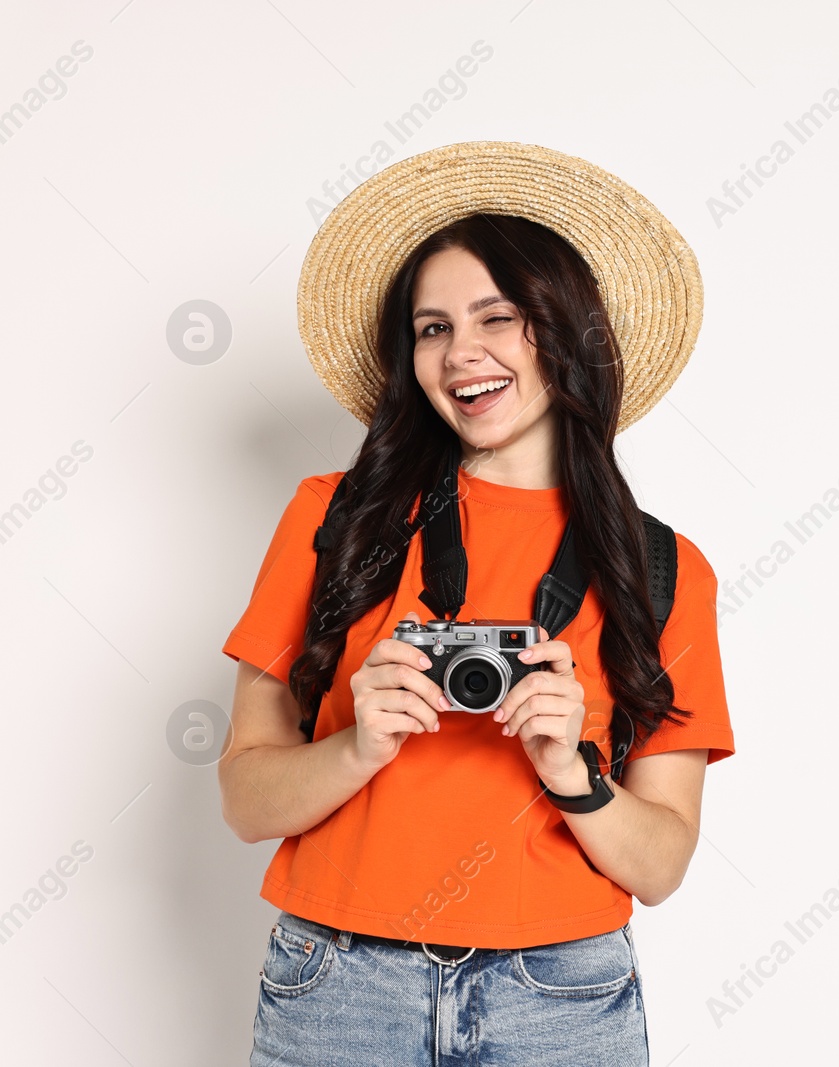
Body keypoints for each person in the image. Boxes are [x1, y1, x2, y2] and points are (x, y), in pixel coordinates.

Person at [217, 142, 733, 1067]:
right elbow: (247, 800)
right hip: (340, 984)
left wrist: (571, 771)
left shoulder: (660, 568)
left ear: (566, 333)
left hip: (559, 995)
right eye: (431, 328)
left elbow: (659, 865)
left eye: (500, 317)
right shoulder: (332, 518)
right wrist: (358, 744)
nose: (463, 354)